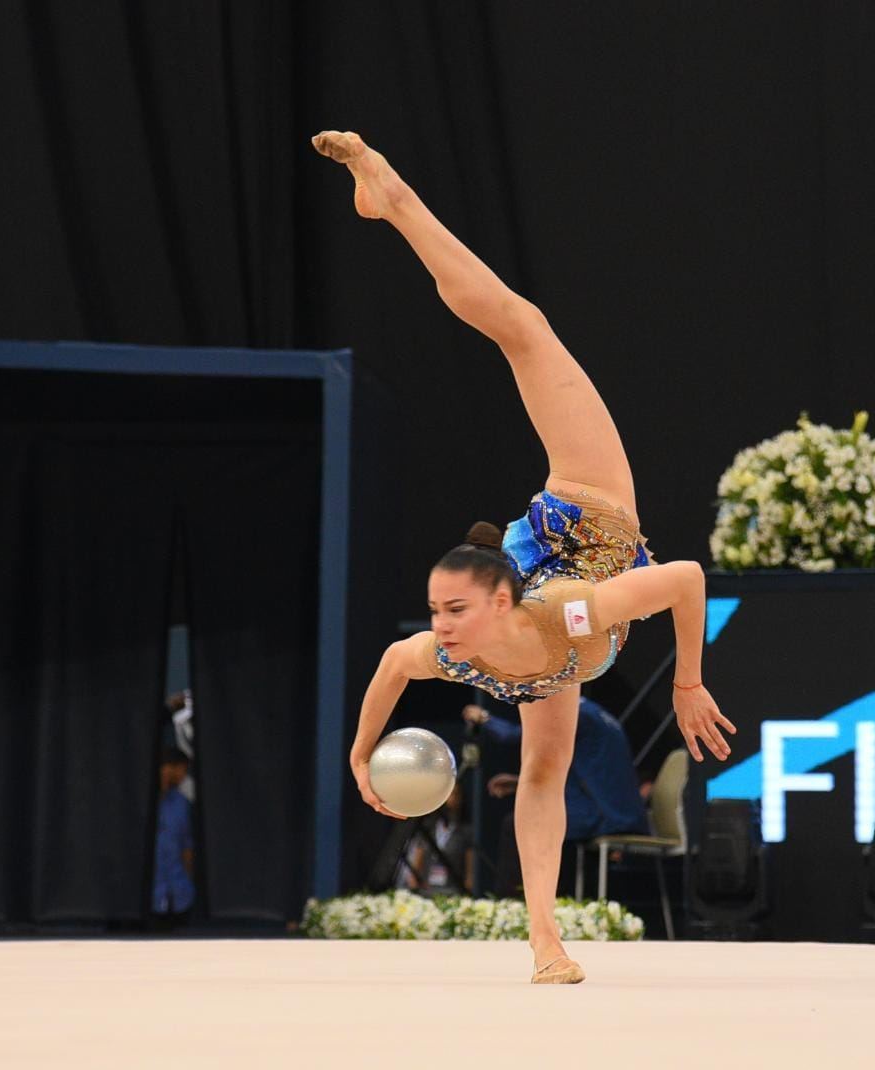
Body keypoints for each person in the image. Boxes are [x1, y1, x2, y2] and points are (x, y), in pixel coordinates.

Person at [315, 130, 736, 985]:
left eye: (453, 611)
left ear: (498, 606)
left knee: (523, 328)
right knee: (543, 773)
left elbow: (688, 579)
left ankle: (392, 197)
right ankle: (545, 942)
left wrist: (688, 680)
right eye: (437, 612)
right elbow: (392, 670)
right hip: (553, 625)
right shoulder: (461, 650)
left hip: (587, 501)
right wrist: (359, 755)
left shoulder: (564, 613)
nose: (438, 630)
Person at [463, 698, 649, 898]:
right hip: (614, 810)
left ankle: (512, 906)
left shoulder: (576, 714)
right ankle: (543, 902)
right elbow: (583, 773)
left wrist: (484, 718)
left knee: (519, 823)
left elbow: (517, 736)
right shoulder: (594, 711)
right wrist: (521, 782)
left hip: (606, 815)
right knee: (542, 818)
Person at [393, 781, 473, 896]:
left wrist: (467, 892)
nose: (452, 799)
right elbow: (417, 864)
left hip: (453, 893)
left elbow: (470, 873)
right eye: (448, 794)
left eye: (456, 794)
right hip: (426, 892)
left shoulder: (466, 832)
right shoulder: (428, 828)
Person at [150, 747, 195, 930]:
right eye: (182, 769)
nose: (184, 776)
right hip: (150, 898)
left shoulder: (180, 803)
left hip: (179, 895)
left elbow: (186, 846)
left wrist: (188, 879)